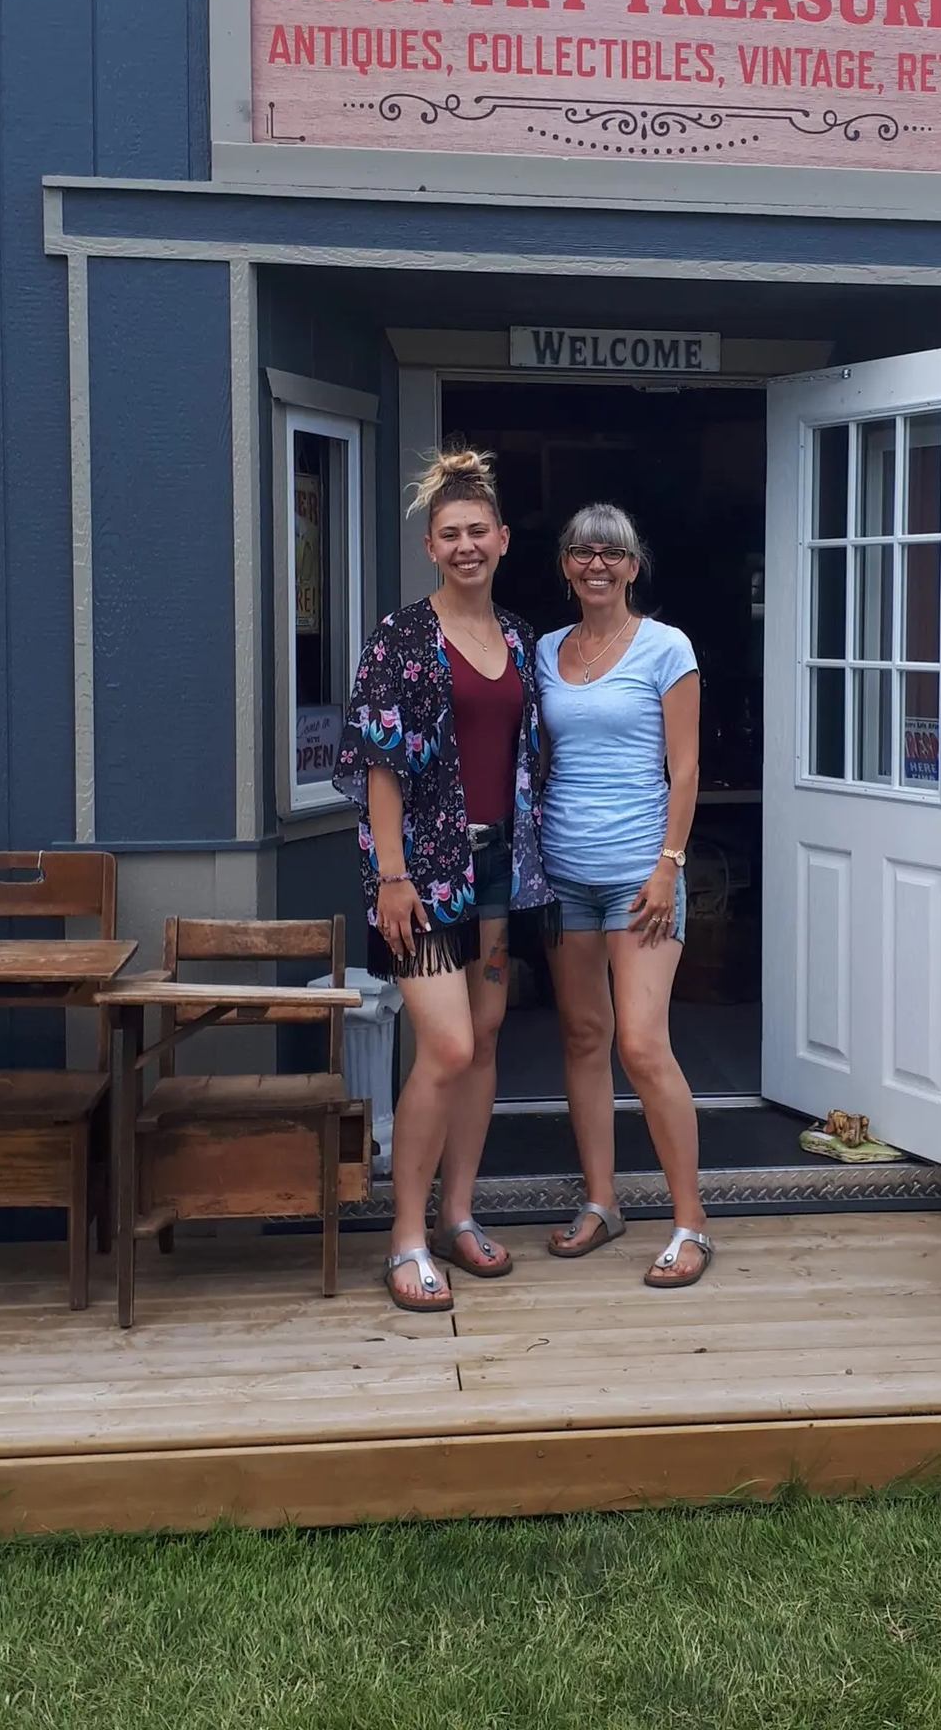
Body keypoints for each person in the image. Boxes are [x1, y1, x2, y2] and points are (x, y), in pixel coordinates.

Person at [334, 443, 552, 1313]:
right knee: (449, 1046)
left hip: (498, 864)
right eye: (449, 534)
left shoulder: (521, 639)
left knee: (488, 1037)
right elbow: (380, 765)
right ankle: (405, 1238)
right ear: (431, 547)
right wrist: (389, 875)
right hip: (419, 872)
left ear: (502, 540)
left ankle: (459, 1216)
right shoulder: (402, 637)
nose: (465, 545)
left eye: (478, 531)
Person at [537, 502, 711, 1288]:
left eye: (611, 552)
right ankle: (602, 1203)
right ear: (565, 565)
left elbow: (687, 768)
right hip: (562, 873)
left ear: (634, 567)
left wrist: (669, 864)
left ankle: (690, 1223)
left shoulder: (667, 648)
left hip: (642, 878)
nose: (596, 563)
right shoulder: (544, 651)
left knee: (642, 1045)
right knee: (582, 1036)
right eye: (582, 551)